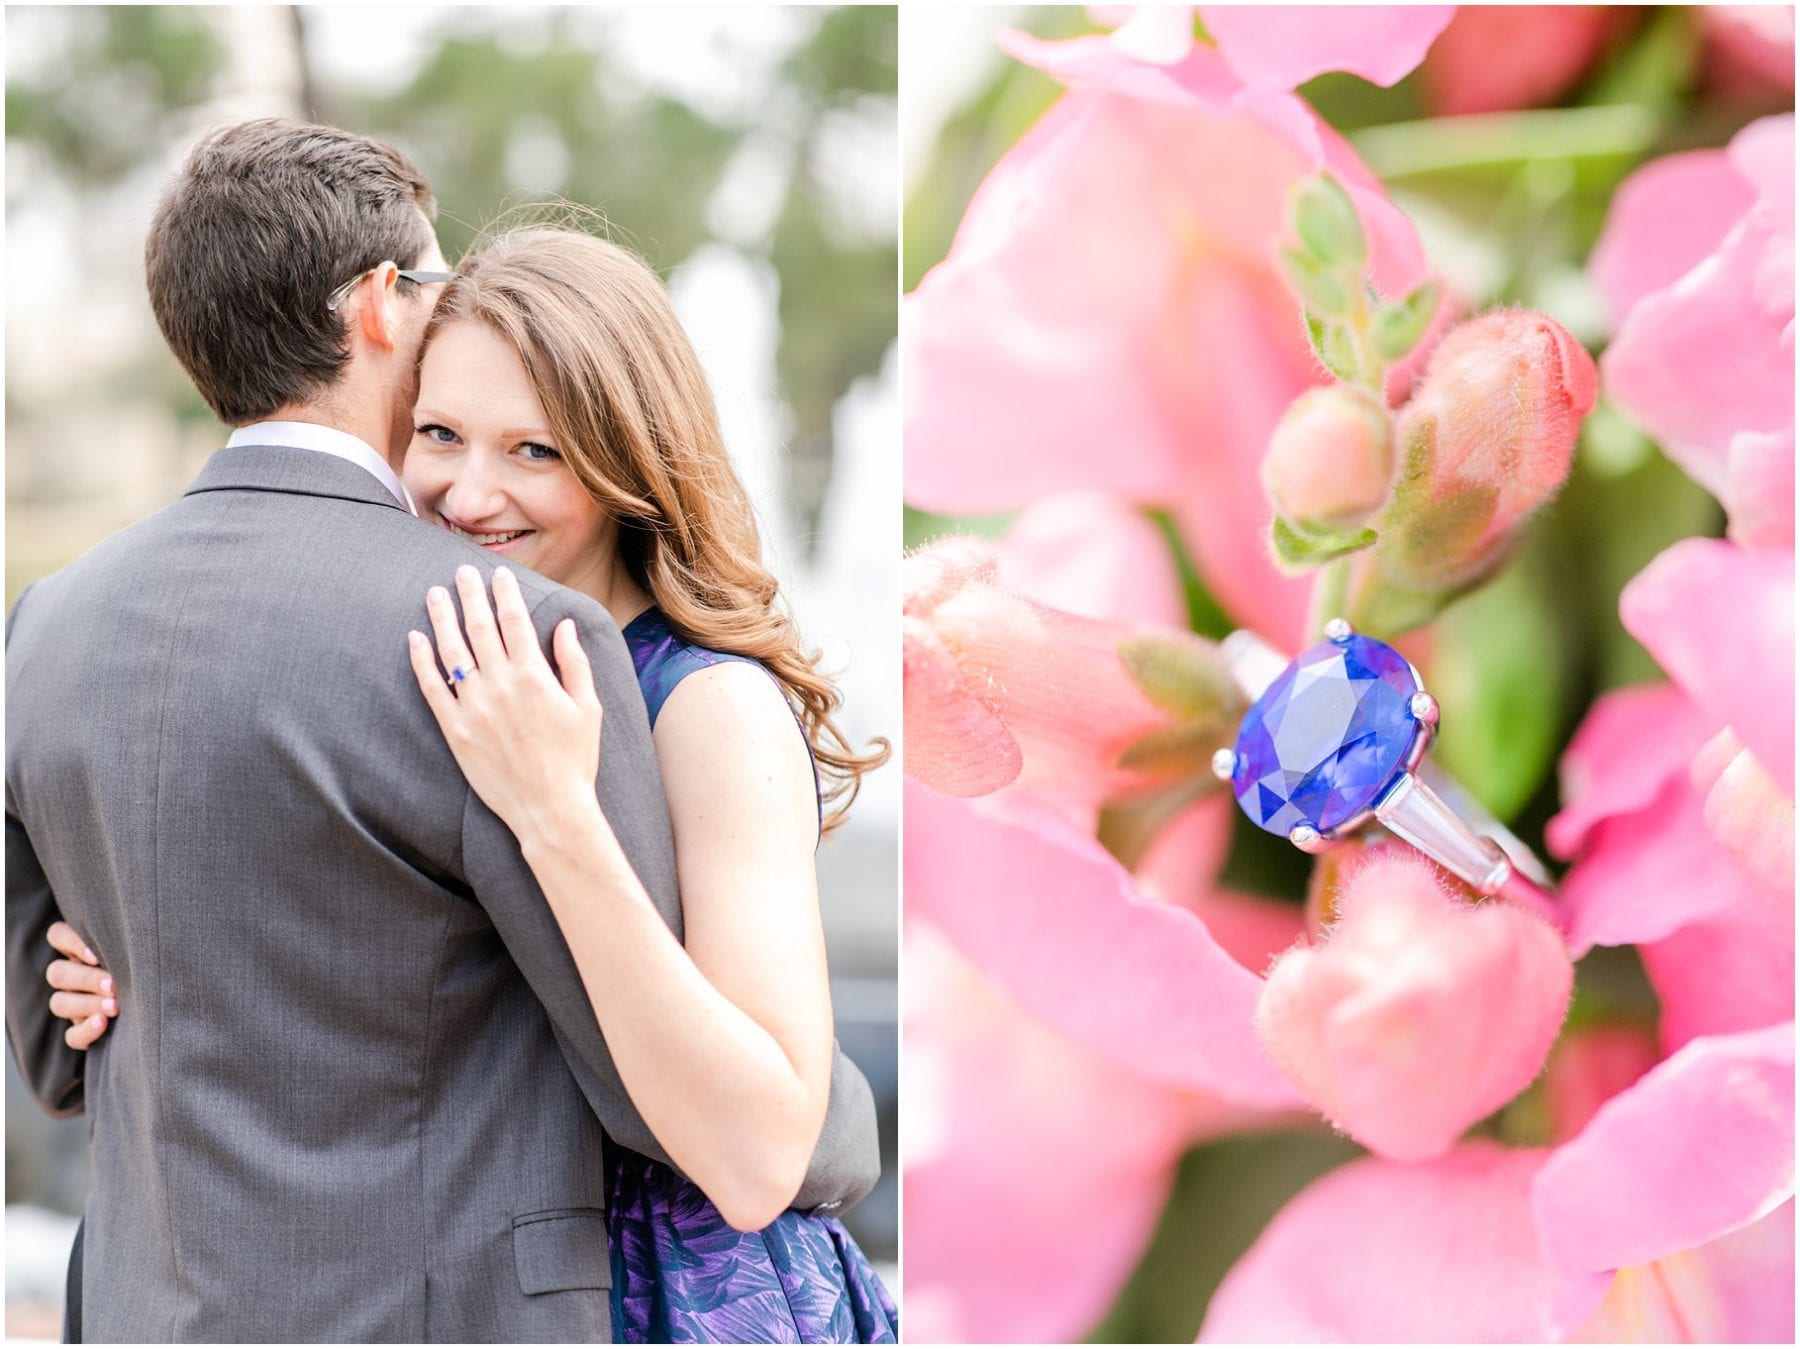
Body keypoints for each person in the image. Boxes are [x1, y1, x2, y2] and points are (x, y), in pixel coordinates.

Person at [7, 117, 881, 1344]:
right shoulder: (469, 637)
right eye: (439, 434)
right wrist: (124, 962)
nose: (470, 493)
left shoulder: (691, 698)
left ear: (629, 457)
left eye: (537, 450)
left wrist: (558, 810)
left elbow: (761, 1138)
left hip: (679, 1286)